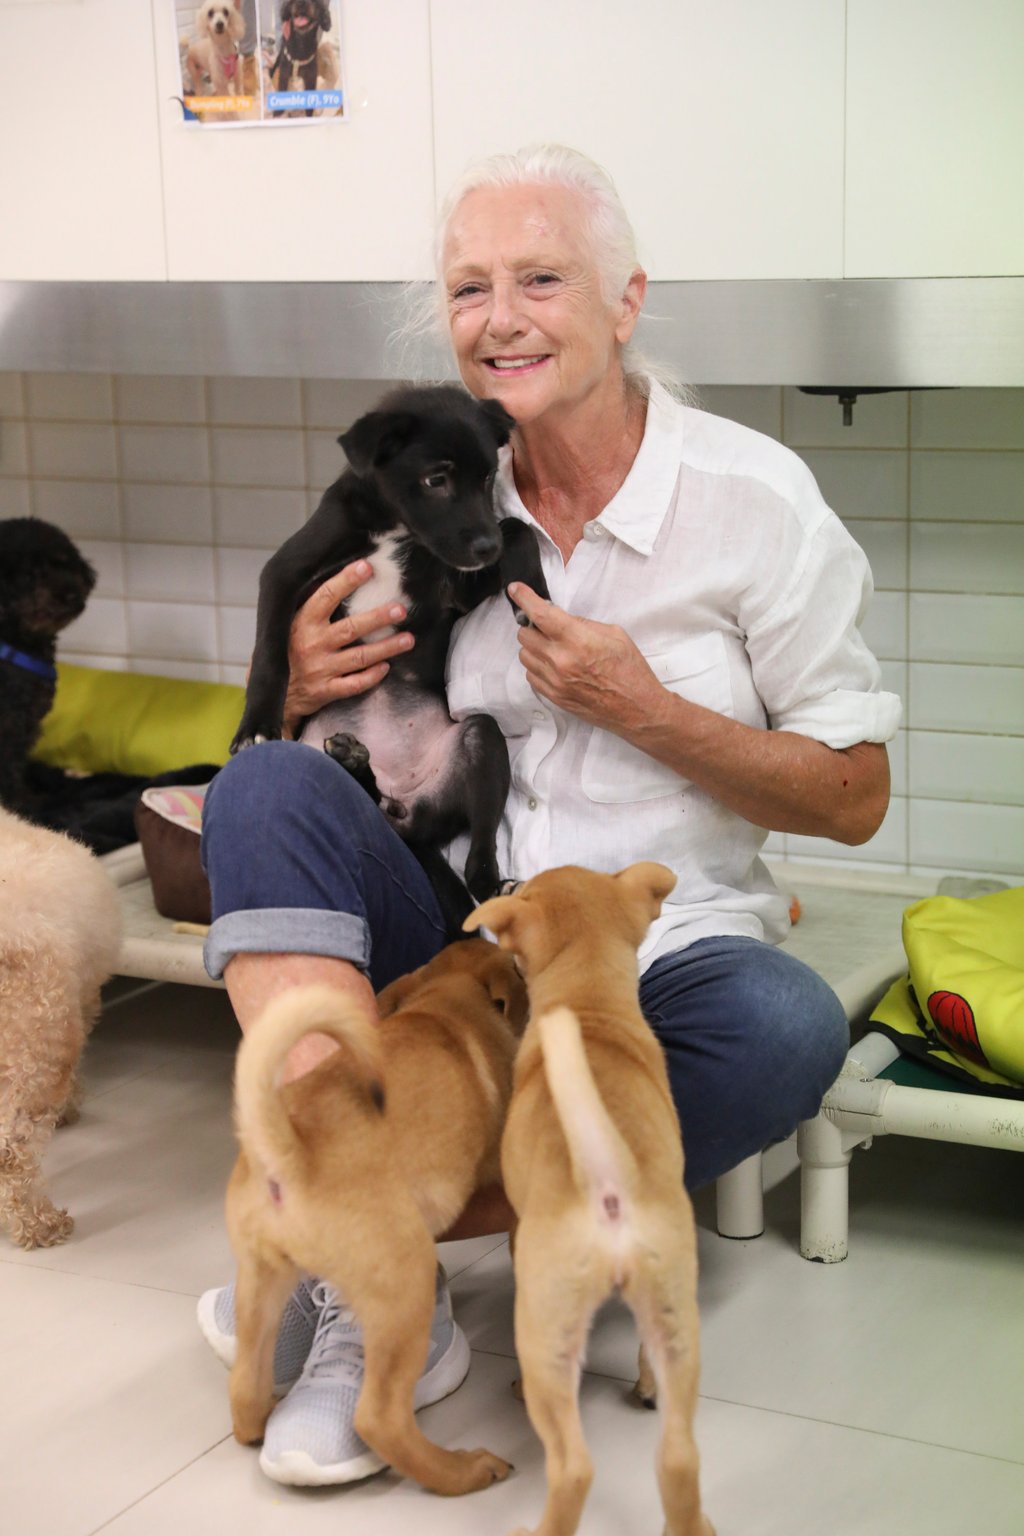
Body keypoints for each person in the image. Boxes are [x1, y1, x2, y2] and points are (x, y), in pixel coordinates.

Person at [197, 144, 901, 1486]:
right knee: (261, 780)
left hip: (660, 949)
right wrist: (296, 690)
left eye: (539, 279)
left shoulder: (755, 504)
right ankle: (366, 1294)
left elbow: (857, 797)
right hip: (464, 932)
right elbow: (341, 737)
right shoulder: (437, 485)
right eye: (469, 288)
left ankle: (357, 1246)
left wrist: (650, 709)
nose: (500, 315)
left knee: (789, 1025)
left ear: (626, 302)